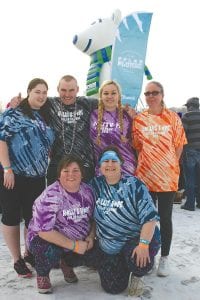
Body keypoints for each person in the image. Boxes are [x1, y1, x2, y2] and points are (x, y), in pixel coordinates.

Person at [61, 146, 161, 297]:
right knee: (112, 288)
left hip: (133, 240)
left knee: (140, 261)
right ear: (100, 166)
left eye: (114, 160)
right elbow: (92, 217)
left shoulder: (134, 184)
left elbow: (150, 218)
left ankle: (138, 274)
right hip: (108, 245)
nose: (110, 164)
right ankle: (120, 265)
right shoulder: (95, 185)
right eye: (105, 161)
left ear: (121, 163)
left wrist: (143, 244)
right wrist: (90, 236)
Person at [0, 78, 55, 277]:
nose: (41, 96)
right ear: (28, 92)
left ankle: (29, 252)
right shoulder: (13, 114)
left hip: (38, 177)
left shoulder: (47, 115)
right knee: (12, 216)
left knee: (33, 219)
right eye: (37, 91)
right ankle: (17, 259)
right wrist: (7, 169)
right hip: (14, 175)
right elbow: (2, 141)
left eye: (44, 92)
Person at [133, 81, 187, 277]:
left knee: (165, 218)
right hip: (145, 177)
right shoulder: (139, 120)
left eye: (154, 93)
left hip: (167, 178)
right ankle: (148, 255)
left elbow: (180, 145)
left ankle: (164, 257)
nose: (150, 96)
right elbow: (138, 146)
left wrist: (169, 164)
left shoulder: (173, 117)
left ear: (162, 94)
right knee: (146, 219)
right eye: (147, 93)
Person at [27, 154, 95, 294]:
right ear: (59, 175)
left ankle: (67, 263)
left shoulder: (88, 192)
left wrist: (91, 236)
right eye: (66, 171)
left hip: (78, 240)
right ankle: (43, 274)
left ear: (82, 174)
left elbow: (93, 219)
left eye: (76, 170)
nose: (71, 174)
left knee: (101, 252)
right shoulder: (50, 195)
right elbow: (43, 231)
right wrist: (74, 246)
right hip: (47, 239)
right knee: (45, 249)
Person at [89, 80, 137, 175]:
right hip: (102, 168)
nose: (109, 96)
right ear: (101, 96)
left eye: (113, 93)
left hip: (125, 168)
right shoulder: (92, 114)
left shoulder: (127, 115)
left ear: (119, 96)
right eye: (106, 93)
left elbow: (137, 141)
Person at [181, 97, 200, 211]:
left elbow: (182, 135)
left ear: (189, 106)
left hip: (190, 151)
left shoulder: (187, 116)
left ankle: (190, 204)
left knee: (190, 178)